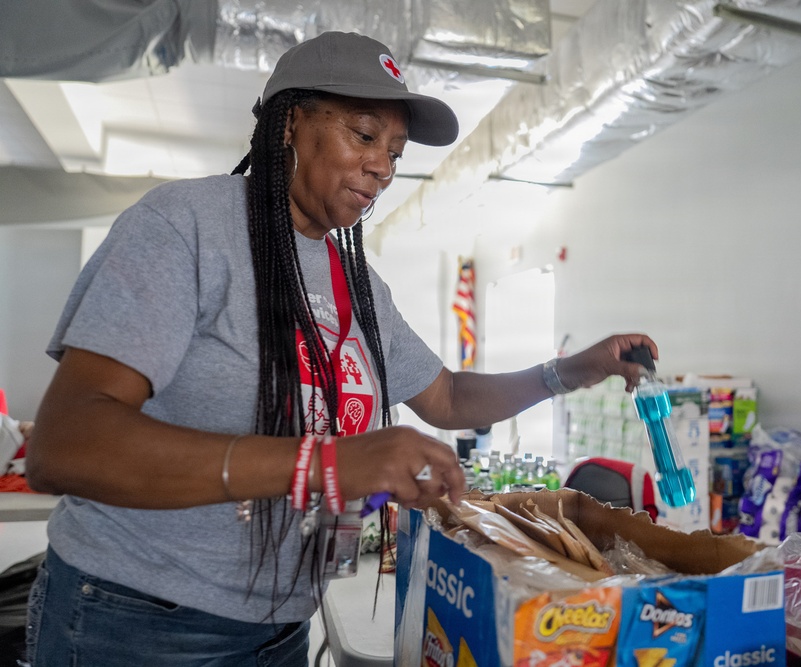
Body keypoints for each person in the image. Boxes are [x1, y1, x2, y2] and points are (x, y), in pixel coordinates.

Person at [23, 31, 659, 665]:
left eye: (394, 150)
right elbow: (65, 444)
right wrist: (324, 465)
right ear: (290, 125)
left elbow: (445, 395)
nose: (384, 165)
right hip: (139, 621)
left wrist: (572, 371)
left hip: (280, 626)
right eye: (364, 135)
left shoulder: (356, 281)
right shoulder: (187, 227)